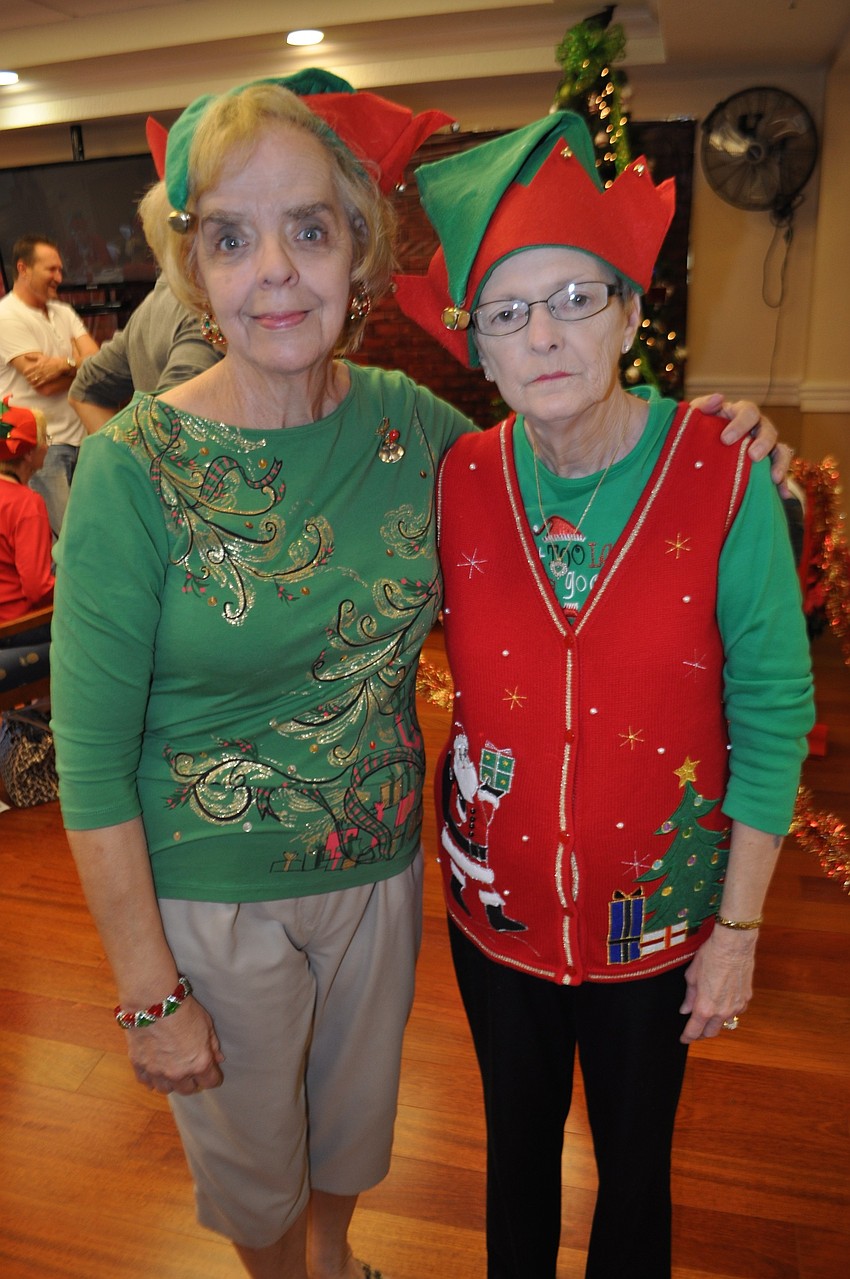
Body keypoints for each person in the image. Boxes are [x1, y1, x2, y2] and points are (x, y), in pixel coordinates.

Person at [50, 70, 783, 1279]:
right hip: (211, 901)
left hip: (388, 878)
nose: (273, 270)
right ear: (195, 269)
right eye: (231, 237)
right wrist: (146, 989)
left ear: (359, 253)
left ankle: (335, 1262)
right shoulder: (137, 470)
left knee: (347, 1142)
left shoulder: (414, 431)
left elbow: (568, 451)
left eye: (308, 230)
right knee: (252, 1169)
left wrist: (712, 434)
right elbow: (87, 759)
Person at [394, 113, 814, 1279]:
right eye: (510, 312)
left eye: (578, 298)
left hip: (661, 926)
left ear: (633, 312)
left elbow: (775, 712)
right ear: (474, 346)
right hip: (498, 921)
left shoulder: (720, 472)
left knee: (635, 1175)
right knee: (513, 1160)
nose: (545, 336)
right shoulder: (456, 478)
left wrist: (735, 932)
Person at [0, 236, 99, 535]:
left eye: (60, 270)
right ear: (23, 269)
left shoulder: (63, 312)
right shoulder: (6, 316)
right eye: (51, 269)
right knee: (68, 540)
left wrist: (62, 365)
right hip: (41, 448)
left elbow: (97, 361)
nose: (59, 277)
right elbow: (42, 386)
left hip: (81, 440)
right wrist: (77, 361)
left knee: (91, 529)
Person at [67, 272, 222, 433]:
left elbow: (85, 390)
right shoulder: (201, 310)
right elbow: (173, 419)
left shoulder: (147, 310)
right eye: (231, 245)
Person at [0, 398, 53, 693]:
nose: (47, 447)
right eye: (45, 440)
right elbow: (38, 589)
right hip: (15, 628)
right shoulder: (26, 504)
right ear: (29, 453)